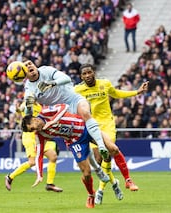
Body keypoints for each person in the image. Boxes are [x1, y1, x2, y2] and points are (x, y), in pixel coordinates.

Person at [21, 103, 139, 208]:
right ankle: (91, 194)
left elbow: (64, 107)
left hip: (86, 126)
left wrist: (52, 121)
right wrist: (39, 175)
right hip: (75, 142)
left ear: (34, 120)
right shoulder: (40, 134)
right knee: (86, 173)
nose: (34, 130)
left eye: (32, 128)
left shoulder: (45, 112)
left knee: (113, 148)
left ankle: (128, 180)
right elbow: (39, 154)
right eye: (31, 131)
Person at [74, 64, 148, 204]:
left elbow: (117, 93)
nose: (88, 75)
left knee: (111, 150)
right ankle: (109, 185)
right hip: (91, 126)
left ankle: (127, 180)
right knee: (100, 160)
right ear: (81, 76)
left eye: (89, 72)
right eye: (84, 74)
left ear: (94, 72)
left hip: (107, 124)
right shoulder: (77, 90)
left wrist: (136, 92)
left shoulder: (105, 84)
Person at [22, 59, 109, 160]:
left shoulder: (46, 70)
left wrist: (52, 83)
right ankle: (101, 169)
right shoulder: (29, 89)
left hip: (72, 99)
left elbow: (67, 78)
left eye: (30, 63)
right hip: (61, 114)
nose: (29, 66)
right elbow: (28, 116)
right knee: (88, 162)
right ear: (24, 73)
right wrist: (28, 106)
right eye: (26, 66)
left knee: (85, 113)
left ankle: (101, 145)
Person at [5, 102, 63, 192]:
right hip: (29, 137)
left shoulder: (40, 106)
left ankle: (50, 184)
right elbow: (21, 109)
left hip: (39, 136)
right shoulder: (27, 102)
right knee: (32, 162)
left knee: (53, 156)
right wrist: (18, 109)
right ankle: (10, 177)